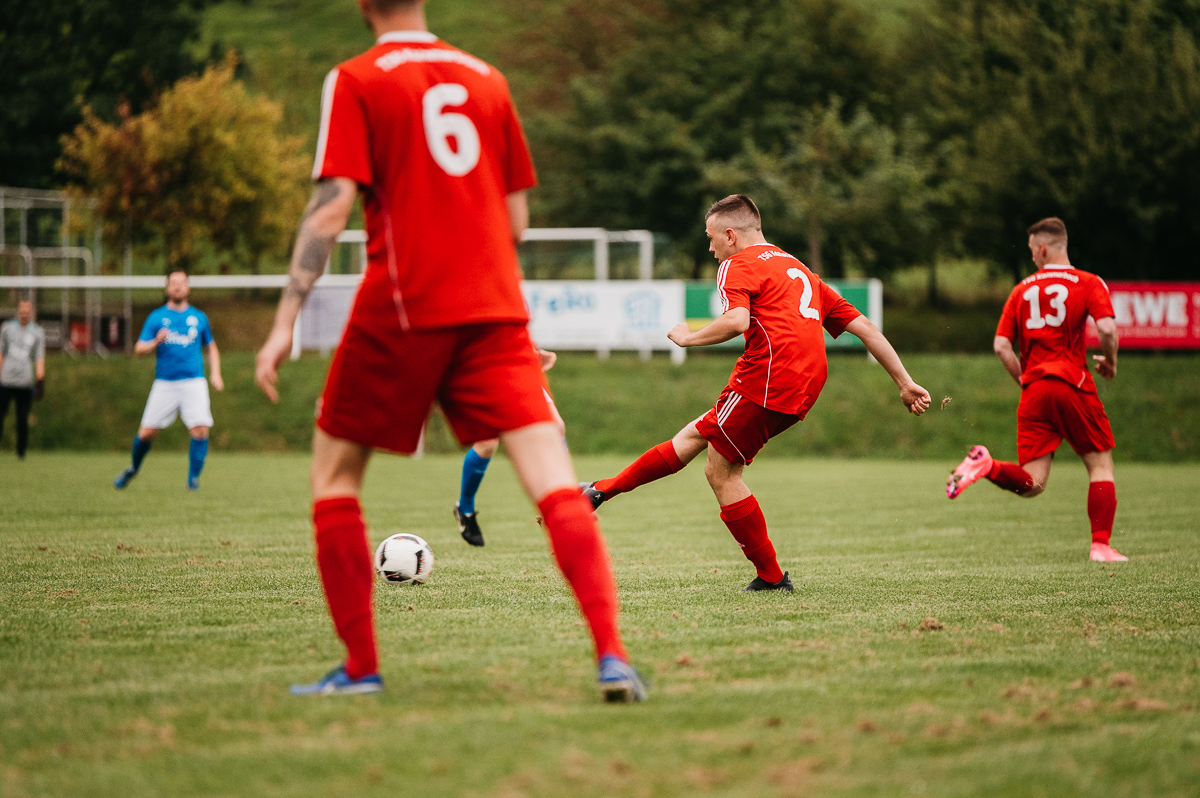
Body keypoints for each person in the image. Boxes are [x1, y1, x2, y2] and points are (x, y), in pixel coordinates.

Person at [254, 0, 645, 701]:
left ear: (363, 4)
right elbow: (516, 221)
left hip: (402, 302)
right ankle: (612, 657)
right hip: (493, 307)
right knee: (554, 480)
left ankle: (361, 669)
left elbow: (332, 206)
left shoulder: (356, 78)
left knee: (336, 477)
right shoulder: (488, 79)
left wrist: (287, 318)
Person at [582, 195, 931, 591]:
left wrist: (688, 338)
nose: (711, 248)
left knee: (721, 473)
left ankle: (771, 577)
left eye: (711, 238)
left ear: (730, 235)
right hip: (806, 383)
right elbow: (864, 327)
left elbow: (736, 321)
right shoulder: (798, 269)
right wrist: (904, 382)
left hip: (768, 377)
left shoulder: (737, 264)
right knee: (698, 434)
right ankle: (601, 490)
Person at [946, 217, 1126, 562]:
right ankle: (1101, 546)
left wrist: (1027, 382)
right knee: (1100, 467)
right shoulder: (1088, 282)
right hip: (1072, 384)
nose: (1031, 257)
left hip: (1034, 390)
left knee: (1033, 483)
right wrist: (1111, 363)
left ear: (1042, 249)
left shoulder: (1021, 289)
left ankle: (987, 466)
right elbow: (1106, 329)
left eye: (1031, 251)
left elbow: (1001, 346)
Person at [115, 270, 224, 492]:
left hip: (194, 381)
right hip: (165, 383)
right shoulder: (157, 317)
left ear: (188, 288)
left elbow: (211, 347)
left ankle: (192, 481)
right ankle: (133, 468)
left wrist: (216, 373)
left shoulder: (199, 317)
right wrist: (156, 341)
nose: (177, 286)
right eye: (173, 283)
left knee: (200, 429)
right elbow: (139, 349)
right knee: (147, 433)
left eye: (181, 283)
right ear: (167, 288)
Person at [454, 346, 564, 547]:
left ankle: (563, 502)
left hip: (515, 364)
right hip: (482, 366)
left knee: (555, 427)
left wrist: (532, 351)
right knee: (487, 443)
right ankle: (465, 508)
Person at [0, 298, 46, 460]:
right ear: (18, 310)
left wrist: (40, 380)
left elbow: (39, 357)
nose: (24, 312)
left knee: (22, 418)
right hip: (5, 381)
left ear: (31, 311)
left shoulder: (37, 332)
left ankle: (21, 452)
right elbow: (1, 353)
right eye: (22, 309)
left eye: (27, 309)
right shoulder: (7, 328)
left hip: (25, 382)